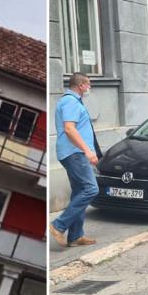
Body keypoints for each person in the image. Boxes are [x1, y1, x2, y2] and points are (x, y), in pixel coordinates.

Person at [49, 72, 98, 247]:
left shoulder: (72, 101)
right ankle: (58, 225)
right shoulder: (70, 102)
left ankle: (76, 236)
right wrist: (87, 150)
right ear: (81, 85)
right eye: (88, 84)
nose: (89, 88)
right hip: (75, 153)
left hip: (74, 153)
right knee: (91, 189)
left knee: (79, 192)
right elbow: (70, 129)